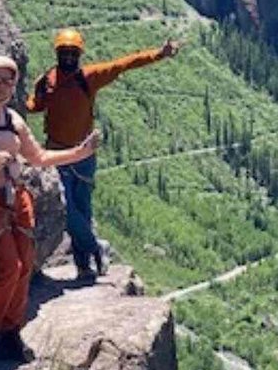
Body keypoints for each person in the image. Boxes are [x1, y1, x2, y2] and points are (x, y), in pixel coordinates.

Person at [0, 54, 100, 361]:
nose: (0, 86)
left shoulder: (12, 119)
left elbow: (38, 157)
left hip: (17, 196)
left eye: (7, 80)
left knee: (25, 266)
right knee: (9, 267)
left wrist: (79, 152)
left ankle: (10, 330)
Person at [27, 28, 179, 281]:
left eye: (72, 53)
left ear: (79, 55)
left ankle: (84, 266)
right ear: (57, 53)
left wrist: (159, 54)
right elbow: (35, 106)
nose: (68, 57)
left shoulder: (89, 77)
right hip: (58, 156)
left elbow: (124, 64)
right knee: (68, 210)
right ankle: (97, 247)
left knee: (82, 211)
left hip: (84, 156)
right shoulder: (47, 81)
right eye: (64, 53)